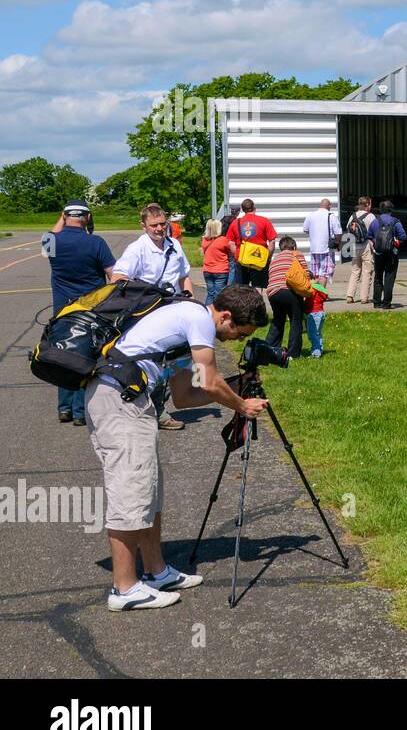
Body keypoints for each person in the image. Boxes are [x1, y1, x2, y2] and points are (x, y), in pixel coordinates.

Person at [85, 284, 268, 610]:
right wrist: (241, 405)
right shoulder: (197, 318)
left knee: (148, 490)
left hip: (130, 400)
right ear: (226, 316)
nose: (236, 340)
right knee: (130, 491)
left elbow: (185, 397)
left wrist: (237, 384)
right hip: (119, 399)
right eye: (239, 332)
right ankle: (124, 589)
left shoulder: (188, 331)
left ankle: (156, 571)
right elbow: (210, 381)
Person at [111, 203, 196, 431]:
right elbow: (118, 278)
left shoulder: (174, 244)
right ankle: (154, 411)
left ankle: (160, 406)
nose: (159, 228)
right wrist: (142, 295)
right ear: (143, 226)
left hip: (175, 311)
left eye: (162, 224)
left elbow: (184, 275)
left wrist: (191, 300)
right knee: (152, 363)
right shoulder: (137, 249)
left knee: (175, 363)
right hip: (149, 315)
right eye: (154, 225)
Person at [46, 200, 115, 426]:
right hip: (90, 310)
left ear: (65, 216)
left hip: (62, 309)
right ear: (87, 217)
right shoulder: (95, 242)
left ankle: (64, 408)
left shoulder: (51, 241)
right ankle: (79, 411)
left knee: (63, 355)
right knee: (84, 357)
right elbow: (113, 274)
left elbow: (52, 234)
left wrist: (62, 216)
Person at [266, 237, 310, 359]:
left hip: (273, 293)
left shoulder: (275, 259)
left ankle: (270, 350)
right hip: (289, 291)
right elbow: (305, 274)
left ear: (281, 247)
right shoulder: (296, 255)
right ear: (294, 247)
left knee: (278, 320)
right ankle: (293, 353)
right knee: (296, 320)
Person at [224, 198, 277, 288]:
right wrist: (268, 257)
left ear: (243, 209)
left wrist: (237, 255)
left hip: (242, 260)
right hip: (259, 259)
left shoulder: (236, 222)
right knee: (259, 288)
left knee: (242, 289)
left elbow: (230, 242)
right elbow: (272, 241)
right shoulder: (264, 221)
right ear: (254, 208)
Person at [368, 200, 406, 309]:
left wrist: (375, 244)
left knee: (378, 277)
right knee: (389, 277)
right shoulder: (396, 222)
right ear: (391, 210)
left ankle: (376, 302)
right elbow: (403, 236)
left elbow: (369, 236)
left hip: (378, 253)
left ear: (380, 209)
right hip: (391, 254)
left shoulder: (375, 221)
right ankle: (386, 303)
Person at [302, 198, 342, 285]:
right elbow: (338, 233)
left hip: (314, 249)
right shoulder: (331, 216)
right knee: (324, 273)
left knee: (315, 273)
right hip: (326, 249)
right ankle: (321, 294)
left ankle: (314, 293)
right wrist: (338, 244)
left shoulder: (311, 215)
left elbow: (305, 230)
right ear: (329, 206)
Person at [345, 197, 376, 303]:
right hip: (366, 246)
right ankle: (364, 297)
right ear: (367, 204)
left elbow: (348, 229)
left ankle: (350, 295)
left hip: (354, 247)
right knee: (367, 272)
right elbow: (375, 231)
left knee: (355, 271)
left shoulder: (352, 216)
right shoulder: (370, 216)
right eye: (370, 204)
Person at [200, 218, 230, 305]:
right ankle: (216, 315)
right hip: (221, 270)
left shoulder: (204, 240)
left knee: (210, 294)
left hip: (207, 270)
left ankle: (207, 313)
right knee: (218, 295)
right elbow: (230, 252)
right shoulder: (223, 240)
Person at [219, 204, 240, 286]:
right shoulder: (236, 221)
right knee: (232, 267)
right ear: (238, 212)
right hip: (230, 244)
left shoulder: (224, 218)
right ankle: (229, 286)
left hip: (221, 243)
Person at [306, 280, 328, 358]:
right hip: (321, 313)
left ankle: (316, 352)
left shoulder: (313, 289)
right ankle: (320, 349)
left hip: (313, 313)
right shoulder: (320, 289)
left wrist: (304, 306)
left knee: (312, 334)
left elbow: (309, 301)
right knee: (318, 333)